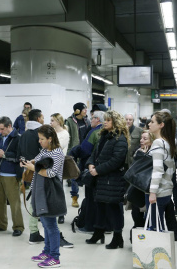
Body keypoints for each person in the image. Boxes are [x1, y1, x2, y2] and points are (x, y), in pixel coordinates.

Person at [22, 125, 65, 268]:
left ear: (50, 139)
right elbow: (37, 160)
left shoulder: (58, 153)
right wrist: (29, 163)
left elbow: (51, 173)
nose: (39, 141)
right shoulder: (45, 150)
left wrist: (33, 168)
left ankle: (55, 257)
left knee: (51, 225)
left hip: (50, 193)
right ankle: (47, 251)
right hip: (40, 191)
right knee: (45, 224)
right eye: (39, 139)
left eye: (42, 139)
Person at [85, 110, 129, 249]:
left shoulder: (120, 139)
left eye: (108, 120)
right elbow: (95, 153)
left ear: (116, 123)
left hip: (112, 179)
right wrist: (91, 163)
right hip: (101, 178)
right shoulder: (104, 136)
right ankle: (98, 232)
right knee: (100, 206)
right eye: (105, 120)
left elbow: (116, 161)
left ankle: (118, 237)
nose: (105, 122)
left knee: (114, 208)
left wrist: (97, 170)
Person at [68, 111, 104, 233]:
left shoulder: (94, 133)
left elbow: (85, 149)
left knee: (90, 198)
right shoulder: (107, 132)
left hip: (90, 169)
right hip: (102, 170)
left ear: (98, 120)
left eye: (93, 118)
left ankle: (89, 226)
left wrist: (74, 152)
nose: (90, 120)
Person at [0, 116, 24, 237]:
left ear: (9, 126)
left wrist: (4, 155)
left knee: (14, 203)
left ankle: (18, 227)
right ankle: (1, 224)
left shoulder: (18, 138)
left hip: (11, 175)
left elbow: (20, 157)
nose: (0, 131)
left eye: (2, 129)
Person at [17, 109, 45, 244]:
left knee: (34, 201)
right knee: (42, 202)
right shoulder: (41, 135)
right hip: (40, 172)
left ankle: (34, 231)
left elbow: (20, 154)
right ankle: (35, 232)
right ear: (39, 118)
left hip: (27, 171)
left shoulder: (24, 134)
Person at [146, 111, 177, 231]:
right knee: (159, 225)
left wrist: (152, 192)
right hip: (166, 190)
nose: (149, 124)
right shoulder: (168, 142)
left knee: (155, 227)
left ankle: (156, 249)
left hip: (157, 192)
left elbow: (157, 170)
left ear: (161, 125)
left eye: (152, 122)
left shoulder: (158, 143)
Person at [65, 102, 91, 208]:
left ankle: (87, 198)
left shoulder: (87, 121)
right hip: (74, 152)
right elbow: (67, 137)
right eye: (84, 109)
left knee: (86, 174)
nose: (86, 111)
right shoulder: (69, 121)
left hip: (85, 152)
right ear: (77, 110)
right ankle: (74, 198)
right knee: (74, 175)